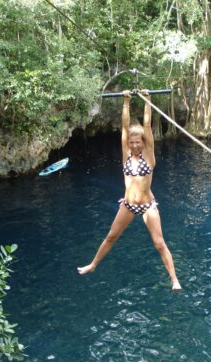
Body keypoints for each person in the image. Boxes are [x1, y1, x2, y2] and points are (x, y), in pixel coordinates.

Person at [78, 90, 182, 291]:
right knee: (111, 236)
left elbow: (147, 126)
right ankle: (92, 265)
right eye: (132, 142)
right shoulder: (126, 155)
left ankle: (174, 280)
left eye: (138, 142)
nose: (134, 145)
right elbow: (125, 127)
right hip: (128, 204)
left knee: (159, 244)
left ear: (144, 143)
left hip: (147, 206)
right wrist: (126, 101)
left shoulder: (149, 157)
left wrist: (147, 100)